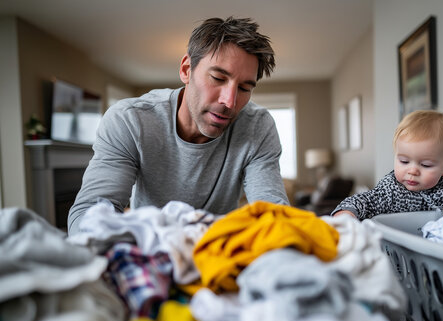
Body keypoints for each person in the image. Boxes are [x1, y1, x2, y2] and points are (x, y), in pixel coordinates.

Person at [68, 17, 289, 235]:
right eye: (218, 78)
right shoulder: (130, 120)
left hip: (219, 251)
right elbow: (89, 214)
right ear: (186, 70)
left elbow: (274, 214)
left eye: (244, 88)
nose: (229, 102)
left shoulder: (258, 127)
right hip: (149, 250)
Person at [332, 110, 443, 221]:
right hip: (399, 253)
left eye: (426, 165)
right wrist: (347, 212)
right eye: (404, 161)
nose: (412, 170)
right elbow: (365, 200)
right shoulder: (391, 188)